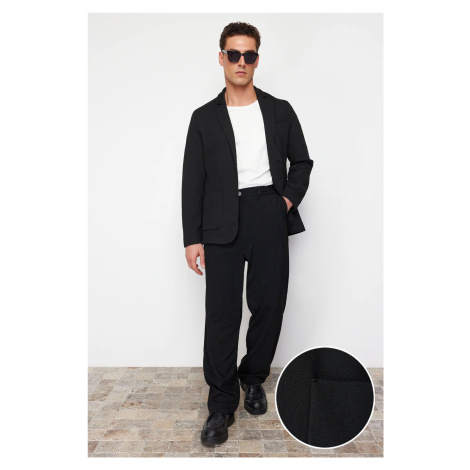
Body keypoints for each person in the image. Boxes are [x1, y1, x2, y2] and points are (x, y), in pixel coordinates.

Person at [181, 21, 313, 447]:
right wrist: (192, 237)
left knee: (270, 305)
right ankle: (221, 403)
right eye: (234, 54)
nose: (241, 62)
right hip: (220, 220)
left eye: (249, 55)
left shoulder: (279, 110)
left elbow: (302, 162)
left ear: (257, 59)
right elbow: (192, 182)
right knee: (222, 314)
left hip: (267, 212)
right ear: (222, 57)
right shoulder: (204, 118)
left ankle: (252, 378)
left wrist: (285, 202)